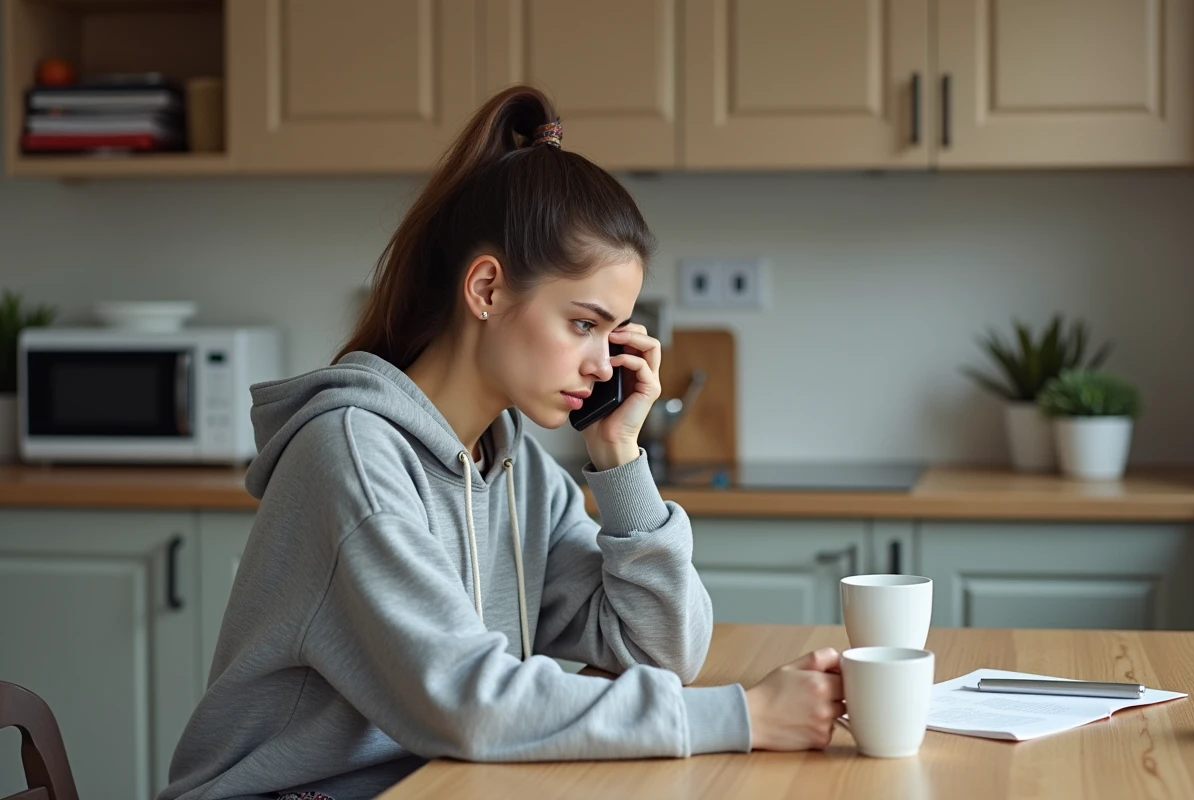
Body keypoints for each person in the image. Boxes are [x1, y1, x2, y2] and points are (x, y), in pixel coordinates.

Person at [158, 86, 845, 800]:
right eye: (583, 324)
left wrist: (618, 457)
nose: (604, 365)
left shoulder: (515, 470)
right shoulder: (353, 457)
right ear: (486, 289)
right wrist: (744, 715)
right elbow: (469, 703)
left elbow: (662, 650)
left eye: (612, 335)